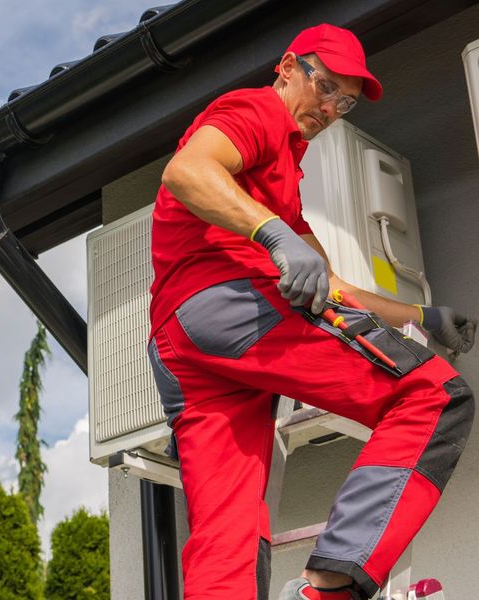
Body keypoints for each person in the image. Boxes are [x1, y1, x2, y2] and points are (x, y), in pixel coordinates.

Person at [147, 23, 476, 600]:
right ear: (287, 67)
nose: (330, 108)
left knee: (227, 526)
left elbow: (333, 283)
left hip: (183, 345)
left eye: (344, 102)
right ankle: (328, 588)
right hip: (230, 304)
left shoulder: (284, 177)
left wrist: (419, 317)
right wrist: (274, 235)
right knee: (432, 396)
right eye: (324, 87)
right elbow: (186, 171)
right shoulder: (254, 112)